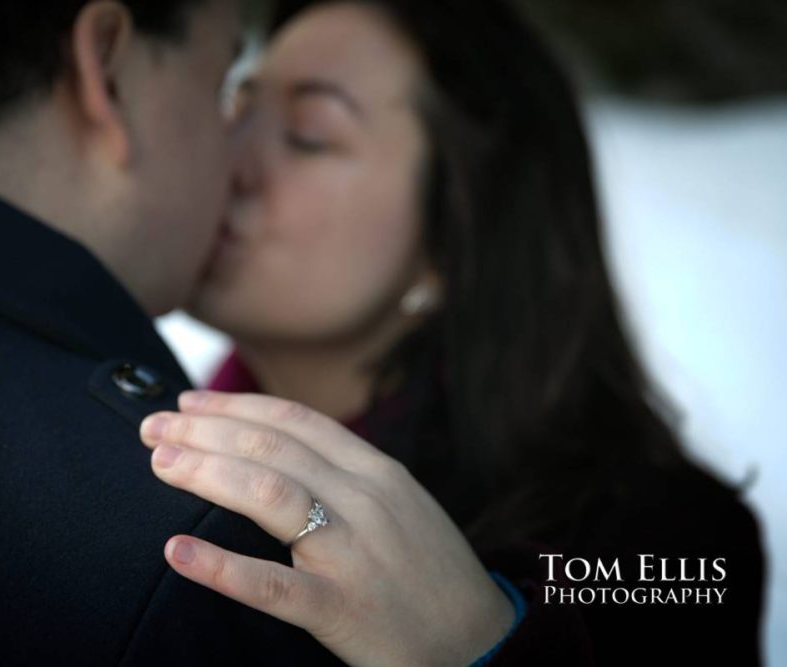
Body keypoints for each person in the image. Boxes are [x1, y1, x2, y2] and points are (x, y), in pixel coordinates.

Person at [134, 0, 769, 665]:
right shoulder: (146, 436)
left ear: (452, 239)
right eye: (233, 105)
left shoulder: (661, 539)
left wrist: (483, 646)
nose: (228, 159)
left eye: (307, 134)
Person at [0, 1, 346, 664]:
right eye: (223, 86)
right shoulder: (196, 558)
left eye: (307, 134)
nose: (239, 160)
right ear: (105, 67)